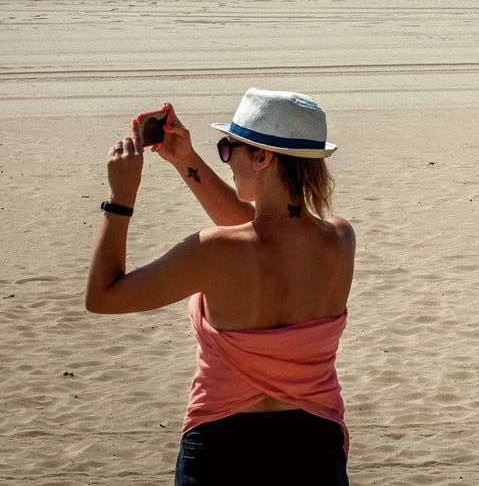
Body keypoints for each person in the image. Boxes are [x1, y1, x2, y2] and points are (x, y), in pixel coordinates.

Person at [84, 89, 355, 484]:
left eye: (229, 150)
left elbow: (102, 297)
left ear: (262, 157)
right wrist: (185, 161)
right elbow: (264, 232)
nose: (226, 161)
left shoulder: (215, 251)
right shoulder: (339, 240)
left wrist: (120, 199)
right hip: (313, 444)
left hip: (224, 447)